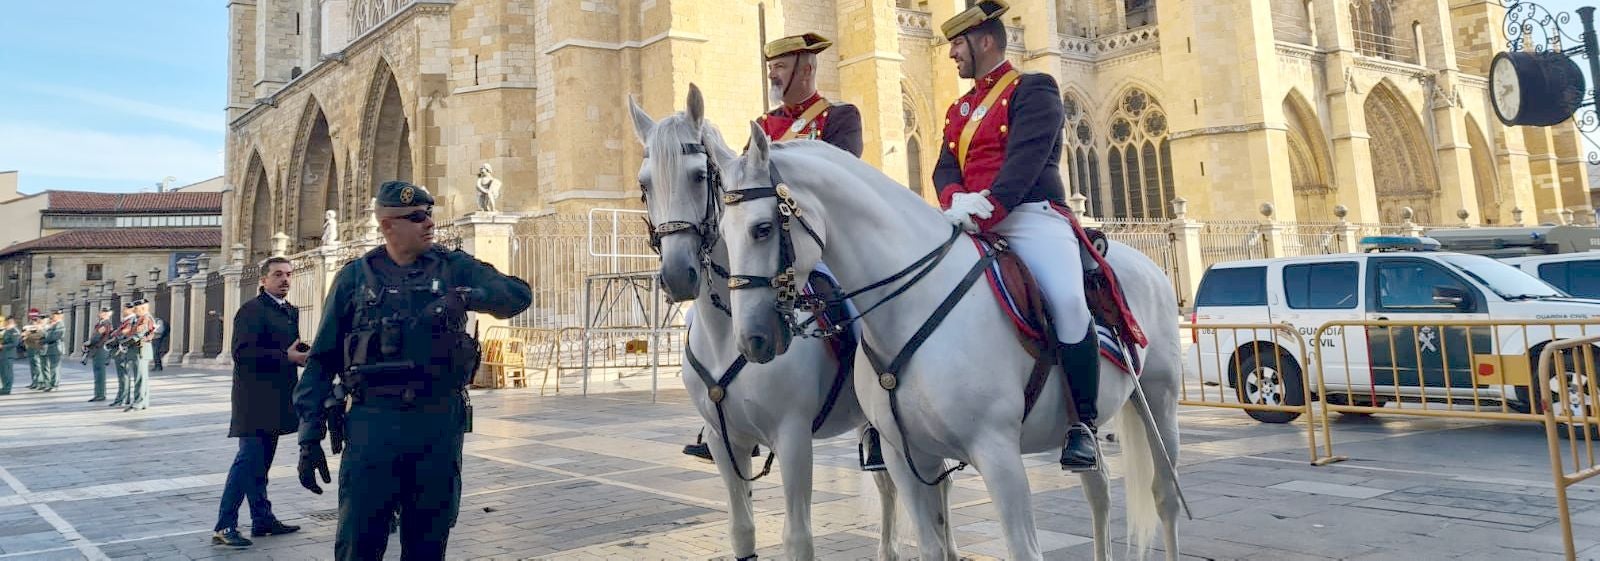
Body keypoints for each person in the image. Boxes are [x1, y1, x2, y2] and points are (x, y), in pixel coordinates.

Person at [293, 181, 531, 560]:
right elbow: (322, 361)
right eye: (417, 217)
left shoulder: (453, 267)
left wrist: (468, 297)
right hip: (374, 425)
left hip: (436, 424)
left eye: (430, 214)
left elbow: (518, 295)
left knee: (428, 539)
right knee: (359, 540)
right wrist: (308, 435)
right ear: (389, 225)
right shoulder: (355, 279)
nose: (429, 223)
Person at [680, 32, 886, 470]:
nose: (772, 72)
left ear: (806, 68)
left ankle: (874, 418)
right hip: (769, 246)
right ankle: (724, 411)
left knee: (852, 311)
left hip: (820, 243)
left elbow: (840, 173)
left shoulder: (839, 117)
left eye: (781, 65)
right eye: (771, 65)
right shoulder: (764, 124)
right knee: (712, 309)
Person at [935, 0, 1102, 471]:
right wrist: (954, 200)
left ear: (985, 41)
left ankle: (1082, 424)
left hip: (1030, 215)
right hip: (969, 216)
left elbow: (1026, 161)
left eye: (958, 44)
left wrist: (987, 208)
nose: (952, 54)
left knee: (1068, 302)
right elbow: (945, 166)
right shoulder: (959, 108)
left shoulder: (1034, 88)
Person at [213, 256, 306, 548]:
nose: (285, 280)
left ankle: (262, 519)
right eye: (278, 274)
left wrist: (307, 351)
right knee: (247, 462)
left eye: (289, 274)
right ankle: (224, 524)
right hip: (253, 399)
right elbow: (243, 353)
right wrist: (286, 357)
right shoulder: (251, 311)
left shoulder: (290, 311)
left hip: (278, 397)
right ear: (263, 280)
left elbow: (287, 346)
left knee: (261, 464)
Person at [755, 33, 862, 156]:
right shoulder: (763, 124)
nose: (771, 75)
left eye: (779, 67)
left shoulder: (840, 117)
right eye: (770, 68)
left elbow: (839, 169)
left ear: (806, 71)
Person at [124, 299, 157, 411]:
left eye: (136, 308)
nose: (134, 310)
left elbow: (138, 334)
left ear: (143, 308)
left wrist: (125, 343)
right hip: (137, 350)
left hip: (141, 351)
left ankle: (139, 402)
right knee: (141, 378)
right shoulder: (138, 319)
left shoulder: (145, 318)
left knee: (140, 378)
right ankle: (143, 402)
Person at [85, 307, 115, 402]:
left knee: (100, 373)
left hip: (101, 349)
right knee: (97, 373)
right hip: (98, 349)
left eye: (103, 312)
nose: (100, 313)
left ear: (107, 314)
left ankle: (100, 394)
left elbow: (97, 337)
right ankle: (98, 394)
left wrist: (89, 342)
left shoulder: (106, 324)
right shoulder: (101, 323)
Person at [110, 302, 136, 408]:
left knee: (123, 375)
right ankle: (123, 397)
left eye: (125, 309)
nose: (123, 311)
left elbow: (123, 334)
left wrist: (115, 336)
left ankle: (123, 397)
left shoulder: (131, 320)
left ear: (131, 310)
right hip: (120, 349)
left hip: (123, 349)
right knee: (122, 375)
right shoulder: (126, 321)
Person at [24, 311, 44, 390]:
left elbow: (39, 336)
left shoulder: (40, 329)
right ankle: (34, 382)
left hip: (37, 349)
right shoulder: (30, 330)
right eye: (32, 322)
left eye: (34, 322)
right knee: (32, 367)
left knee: (38, 366)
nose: (33, 324)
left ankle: (40, 382)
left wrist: (28, 336)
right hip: (30, 349)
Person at [0, 317, 17, 395]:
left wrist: (3, 346)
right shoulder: (7, 331)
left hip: (8, 355)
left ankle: (7, 389)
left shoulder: (14, 331)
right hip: (3, 355)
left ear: (11, 322)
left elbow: (15, 343)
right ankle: (4, 387)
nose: (5, 324)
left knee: (7, 372)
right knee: (3, 372)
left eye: (6, 322)